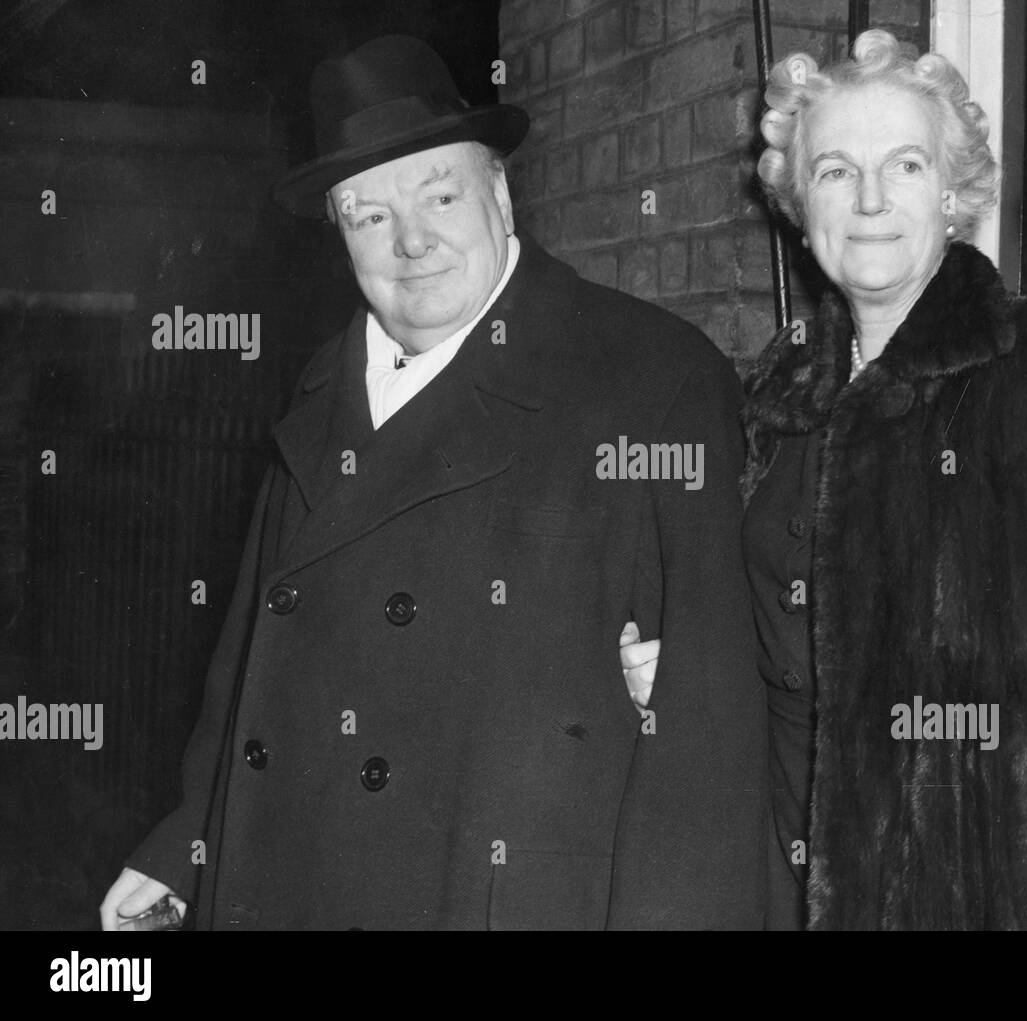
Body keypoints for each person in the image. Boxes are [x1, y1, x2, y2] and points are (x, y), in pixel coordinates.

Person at [100, 35, 766, 930]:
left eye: (439, 195)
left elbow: (706, 735)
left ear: (499, 192)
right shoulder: (317, 394)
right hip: (285, 881)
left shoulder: (652, 379)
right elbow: (250, 670)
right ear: (339, 237)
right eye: (369, 216)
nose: (411, 241)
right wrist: (189, 844)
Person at [624, 29, 1027, 930]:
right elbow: (778, 659)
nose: (869, 198)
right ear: (799, 204)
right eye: (835, 171)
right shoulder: (776, 399)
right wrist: (686, 679)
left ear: (952, 191)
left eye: (904, 164)